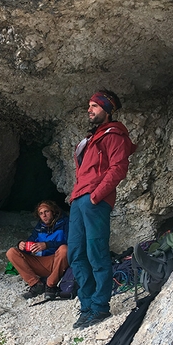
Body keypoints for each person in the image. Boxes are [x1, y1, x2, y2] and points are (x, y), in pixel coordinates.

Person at [68, 90, 137, 329]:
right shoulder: (90, 139)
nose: (89, 110)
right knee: (75, 253)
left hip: (93, 200)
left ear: (107, 110)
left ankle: (99, 307)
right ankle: (86, 305)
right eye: (89, 106)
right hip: (78, 200)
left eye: (95, 106)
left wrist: (96, 197)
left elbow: (118, 169)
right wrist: (77, 197)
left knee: (96, 252)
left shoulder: (115, 135)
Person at [6, 200, 69, 300]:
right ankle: (36, 284)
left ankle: (50, 285)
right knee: (11, 252)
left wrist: (47, 245)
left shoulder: (65, 223)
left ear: (53, 212)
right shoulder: (39, 228)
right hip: (42, 262)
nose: (44, 215)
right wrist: (21, 245)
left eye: (46, 212)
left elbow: (70, 242)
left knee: (64, 249)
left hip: (58, 260)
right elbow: (29, 246)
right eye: (41, 213)